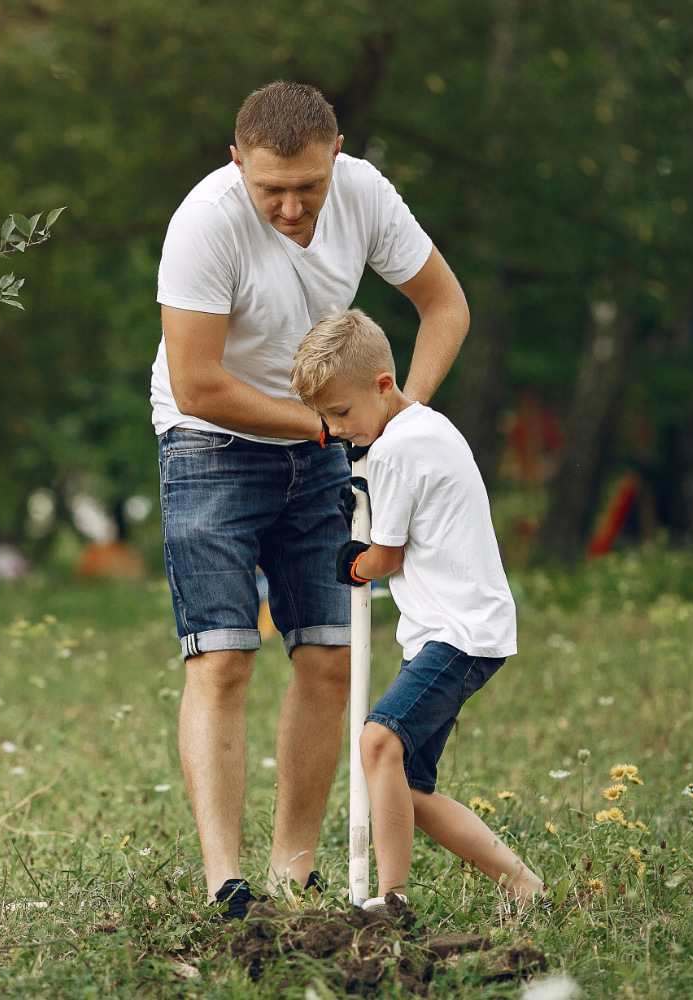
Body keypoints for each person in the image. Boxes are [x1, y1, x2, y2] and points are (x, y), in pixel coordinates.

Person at [154, 80, 470, 917]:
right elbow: (195, 384)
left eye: (308, 188)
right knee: (222, 657)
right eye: (271, 191)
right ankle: (228, 882)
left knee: (330, 659)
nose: (291, 209)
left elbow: (444, 305)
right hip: (211, 444)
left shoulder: (364, 192)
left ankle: (294, 870)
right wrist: (325, 428)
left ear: (336, 156)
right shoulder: (204, 223)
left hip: (326, 441)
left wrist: (400, 416)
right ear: (237, 165)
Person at [291, 309, 543, 911]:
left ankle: (390, 900)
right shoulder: (426, 429)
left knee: (378, 741)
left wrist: (353, 563)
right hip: (464, 628)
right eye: (325, 420)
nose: (337, 431)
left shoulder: (396, 452)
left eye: (343, 415)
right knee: (405, 786)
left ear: (384, 384)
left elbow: (387, 554)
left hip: (457, 633)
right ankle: (524, 886)